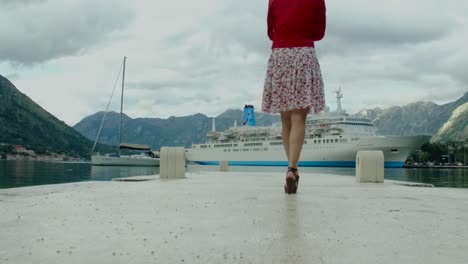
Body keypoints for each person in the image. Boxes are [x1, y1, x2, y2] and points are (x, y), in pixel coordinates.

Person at [262, 0, 326, 194]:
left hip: (280, 55)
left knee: (285, 119)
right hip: (304, 54)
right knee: (299, 118)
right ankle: (292, 169)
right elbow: (319, 33)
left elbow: (270, 31)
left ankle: (292, 169)